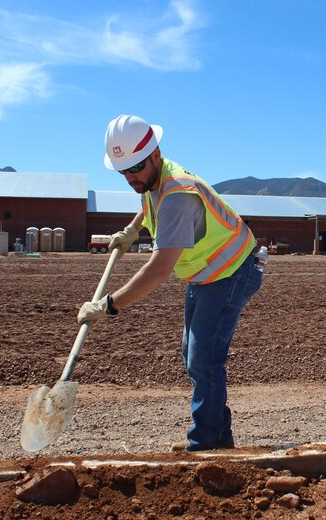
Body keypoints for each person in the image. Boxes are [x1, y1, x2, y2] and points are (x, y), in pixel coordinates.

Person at [77, 114, 262, 452]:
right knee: (194, 354)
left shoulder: (178, 197)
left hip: (232, 271)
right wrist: (133, 229)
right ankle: (219, 436)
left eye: (136, 169)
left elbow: (159, 269)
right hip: (206, 274)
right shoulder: (154, 178)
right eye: (124, 171)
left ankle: (204, 445)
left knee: (203, 359)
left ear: (156, 155)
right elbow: (148, 197)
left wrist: (110, 304)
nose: (131, 177)